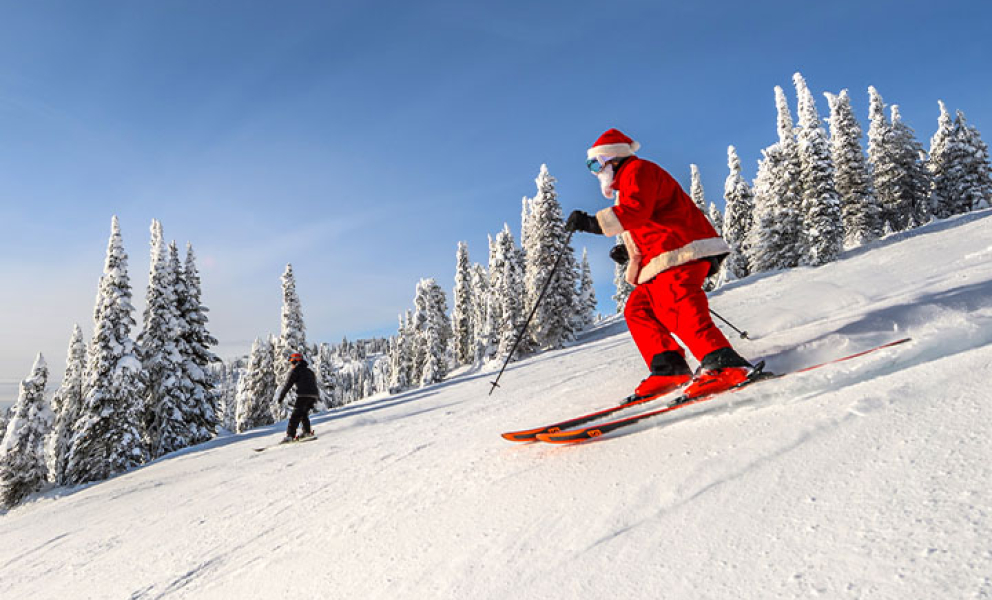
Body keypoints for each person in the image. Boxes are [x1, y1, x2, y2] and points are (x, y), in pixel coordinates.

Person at [566, 128, 752, 399]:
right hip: (662, 257)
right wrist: (630, 253)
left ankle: (724, 364)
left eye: (596, 164)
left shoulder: (637, 170)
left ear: (612, 158)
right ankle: (669, 368)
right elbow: (649, 221)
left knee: (677, 304)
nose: (595, 171)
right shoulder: (628, 180)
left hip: (681, 250)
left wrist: (592, 223)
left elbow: (635, 212)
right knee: (638, 309)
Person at [275, 353, 320, 442]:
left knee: (295, 415)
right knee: (303, 414)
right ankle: (307, 432)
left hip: (304, 395)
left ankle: (290, 436)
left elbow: (287, 385)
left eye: (291, 362)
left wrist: (281, 397)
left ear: (295, 360)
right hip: (314, 395)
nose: (291, 364)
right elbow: (313, 384)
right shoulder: (309, 371)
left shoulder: (296, 370)